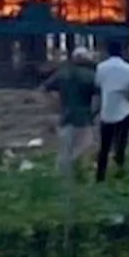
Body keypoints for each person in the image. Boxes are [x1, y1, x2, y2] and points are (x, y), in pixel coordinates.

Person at [94, 39, 129, 182]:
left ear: (107, 52)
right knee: (120, 145)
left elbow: (97, 84)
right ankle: (120, 174)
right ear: (122, 52)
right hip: (124, 111)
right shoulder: (128, 69)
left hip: (106, 112)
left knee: (104, 147)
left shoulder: (101, 68)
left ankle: (100, 177)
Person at [41, 46, 98, 179]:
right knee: (85, 146)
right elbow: (99, 97)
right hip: (84, 118)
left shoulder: (62, 73)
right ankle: (77, 174)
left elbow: (43, 90)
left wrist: (54, 105)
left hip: (65, 116)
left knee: (64, 150)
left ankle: (63, 178)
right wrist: (94, 112)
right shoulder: (91, 76)